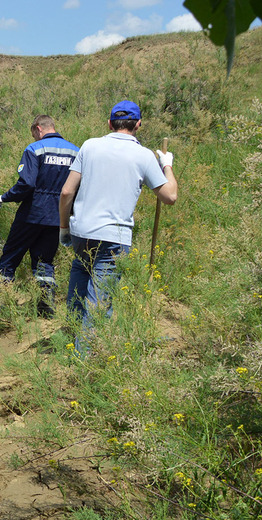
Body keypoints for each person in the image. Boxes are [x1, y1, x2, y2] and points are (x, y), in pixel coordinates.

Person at [60, 100, 177, 350]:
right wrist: (166, 164)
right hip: (113, 237)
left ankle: (70, 341)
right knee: (99, 302)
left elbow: (66, 192)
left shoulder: (90, 146)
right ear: (138, 124)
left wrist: (64, 228)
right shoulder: (144, 156)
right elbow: (170, 196)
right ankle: (86, 359)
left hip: (81, 231)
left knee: (80, 284)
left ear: (110, 124)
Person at [0, 115, 79, 318]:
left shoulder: (35, 149)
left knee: (11, 256)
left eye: (34, 134)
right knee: (44, 261)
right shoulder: (75, 151)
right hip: (57, 217)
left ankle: (0, 303)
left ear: (38, 129)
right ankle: (45, 304)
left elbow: (27, 184)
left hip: (31, 214)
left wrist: (4, 197)